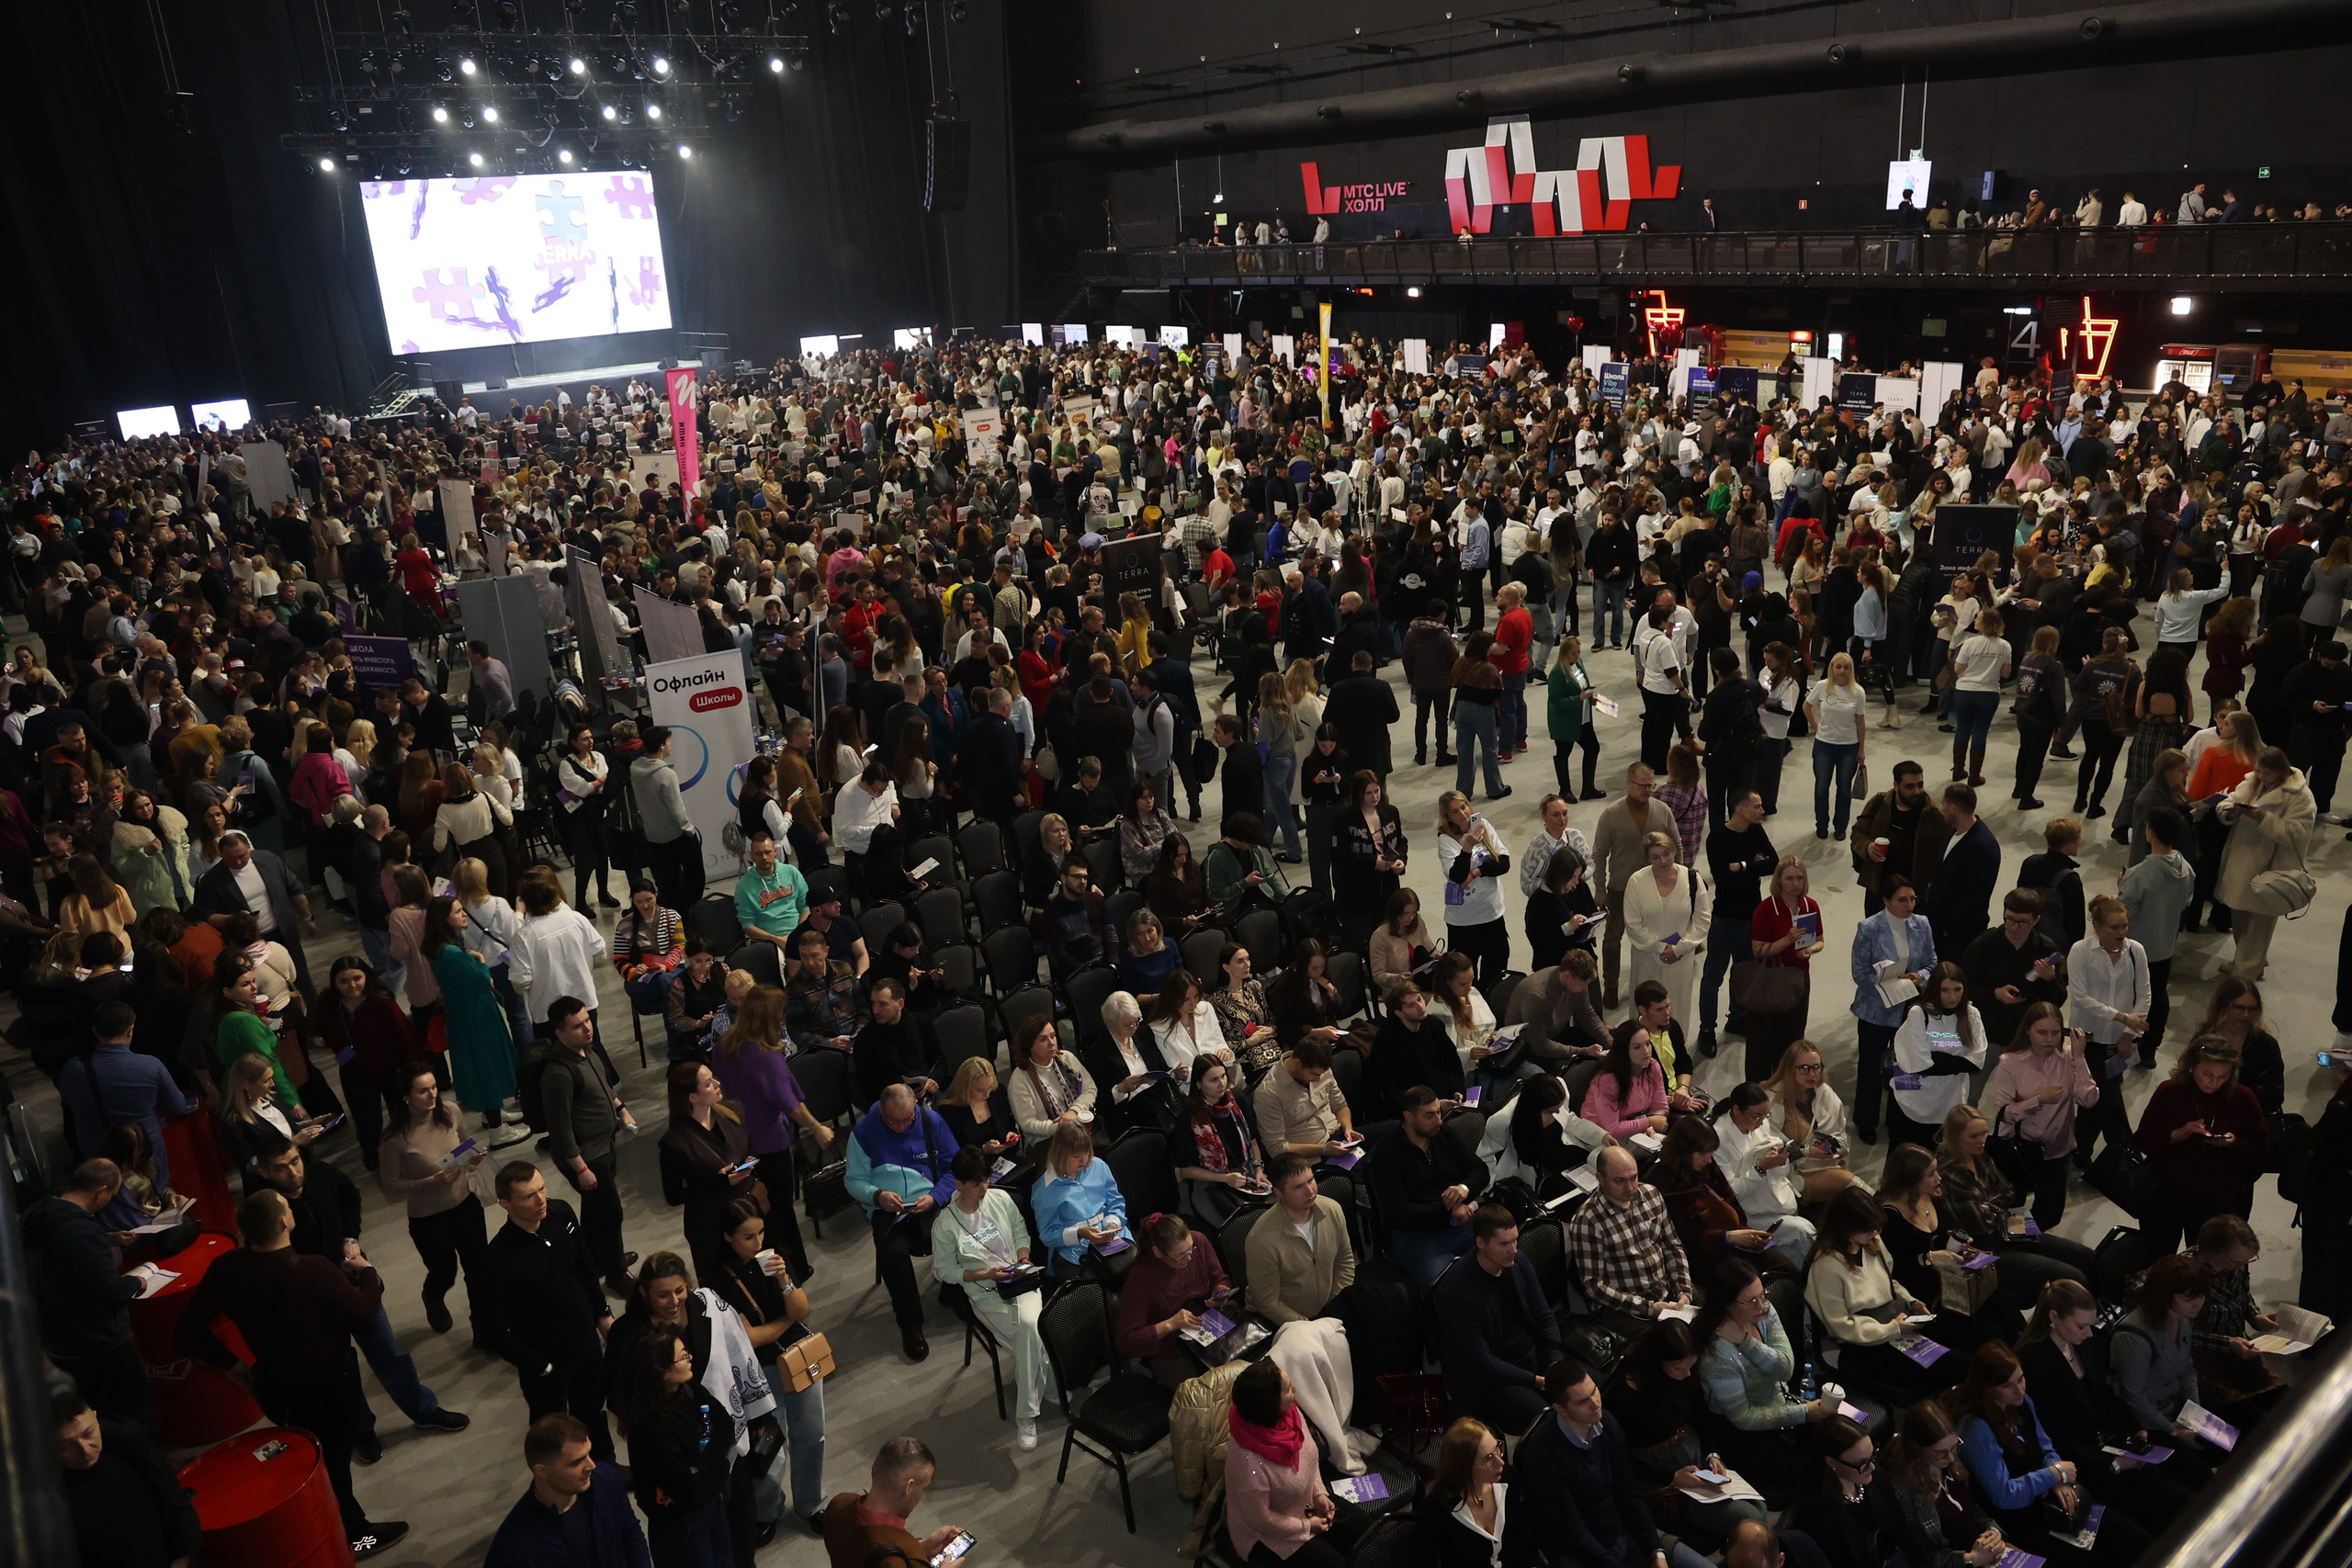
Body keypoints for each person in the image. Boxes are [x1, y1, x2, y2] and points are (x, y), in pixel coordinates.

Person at [177, 1190, 410, 1558]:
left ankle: (329, 1523)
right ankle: (355, 1534)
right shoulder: (313, 1268)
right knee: (333, 1462)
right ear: (285, 1221)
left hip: (274, 1385)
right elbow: (365, 1317)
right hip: (330, 1385)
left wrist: (231, 1363)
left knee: (309, 1456)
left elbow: (187, 1330)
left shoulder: (227, 1268)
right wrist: (367, 1271)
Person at [2012, 1280, 2197, 1534]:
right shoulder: (2031, 1363)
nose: (2090, 1333)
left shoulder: (2084, 1343)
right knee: (2160, 1512)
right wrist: (2112, 1463)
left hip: (2112, 1443)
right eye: (2082, 1326)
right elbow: (2052, 1435)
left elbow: (2106, 1396)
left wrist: (2133, 1427)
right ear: (2054, 1317)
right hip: (2085, 1464)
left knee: (2184, 1490)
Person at [1502, 1357, 1713, 1568]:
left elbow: (1629, 1493)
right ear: (1561, 1409)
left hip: (1622, 1533)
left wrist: (1655, 1551)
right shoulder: (1543, 1454)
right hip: (1580, 1553)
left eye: (1594, 1391)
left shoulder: (1607, 1424)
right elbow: (1571, 1530)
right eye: (1583, 1401)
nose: (1595, 1404)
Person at [706, 1201, 831, 1529]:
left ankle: (810, 1502)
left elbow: (802, 1309)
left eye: (761, 1232)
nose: (758, 1242)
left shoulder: (777, 1259)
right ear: (728, 1237)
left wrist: (785, 1280)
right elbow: (750, 1338)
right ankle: (767, 1511)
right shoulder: (719, 1279)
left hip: (798, 1359)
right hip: (758, 1370)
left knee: (811, 1433)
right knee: (768, 1445)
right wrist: (787, 1319)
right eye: (748, 1236)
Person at [484, 1164, 616, 1461]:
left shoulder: (561, 1214)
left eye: (542, 1189)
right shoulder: (498, 1259)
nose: (542, 1199)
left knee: (593, 1411)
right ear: (505, 1204)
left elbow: (585, 1267)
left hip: (586, 1344)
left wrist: (602, 1314)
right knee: (552, 1431)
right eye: (529, 1196)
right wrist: (541, 1366)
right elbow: (494, 1329)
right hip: (547, 1364)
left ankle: (606, 1468)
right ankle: (562, 1487)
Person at [719, 985, 828, 1282]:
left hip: (740, 1140)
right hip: (769, 1141)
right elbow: (789, 1103)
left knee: (757, 1205)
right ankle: (794, 1269)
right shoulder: (764, 1054)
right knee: (780, 1210)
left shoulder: (726, 1043)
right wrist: (817, 1128)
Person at [25, 1159, 148, 1421]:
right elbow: (110, 1288)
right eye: (111, 1195)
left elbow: (60, 1249)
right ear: (100, 1191)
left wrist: (107, 1237)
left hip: (56, 1342)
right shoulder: (81, 1231)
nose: (109, 1201)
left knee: (92, 1411)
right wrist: (137, 1282)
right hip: (96, 1343)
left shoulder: (38, 1215)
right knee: (130, 1411)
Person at [941, 1145, 1047, 1444]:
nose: (985, 1187)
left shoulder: (1000, 1198)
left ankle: (1026, 1413)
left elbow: (1020, 1231)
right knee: (1034, 1335)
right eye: (976, 1183)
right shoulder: (946, 1225)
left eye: (986, 1179)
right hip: (986, 1293)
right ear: (959, 1184)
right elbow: (944, 1271)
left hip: (1021, 1281)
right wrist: (986, 1274)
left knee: (1029, 1328)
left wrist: (1024, 1255)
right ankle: (1044, 1389)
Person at [379, 1061, 492, 1342]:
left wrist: (475, 1155)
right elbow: (390, 1187)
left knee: (479, 1271)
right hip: (429, 1218)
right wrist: (429, 1183)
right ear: (406, 1096)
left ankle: (485, 1329)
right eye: (422, 1091)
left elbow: (466, 1143)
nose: (432, 1095)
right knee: (444, 1271)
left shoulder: (450, 1112)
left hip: (465, 1205)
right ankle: (433, 1296)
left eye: (434, 1088)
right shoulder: (394, 1139)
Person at [846, 1083, 959, 1359]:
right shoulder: (863, 1132)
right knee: (892, 1254)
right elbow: (852, 1181)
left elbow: (954, 1167)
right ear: (881, 1110)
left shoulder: (932, 1121)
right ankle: (910, 1324)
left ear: (915, 1109)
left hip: (929, 1199)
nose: (900, 1127)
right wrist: (877, 1195)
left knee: (958, 1231)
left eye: (907, 1120)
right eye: (892, 1121)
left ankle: (954, 1291)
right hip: (888, 1206)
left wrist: (936, 1196)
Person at [608, 1327, 737, 1568]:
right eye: (683, 1356)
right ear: (662, 1371)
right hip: (682, 1527)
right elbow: (687, 1490)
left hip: (712, 1507)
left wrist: (701, 1466)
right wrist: (717, 1466)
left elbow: (726, 1425)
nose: (690, 1359)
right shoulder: (651, 1428)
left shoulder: (687, 1389)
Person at [1804, 1185, 1944, 1400]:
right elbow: (1841, 1326)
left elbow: (1890, 1282)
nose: (1875, 1233)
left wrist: (1910, 1301)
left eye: (1876, 1228)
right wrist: (1893, 1329)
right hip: (1865, 1344)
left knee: (1955, 1348)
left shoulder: (1872, 1242)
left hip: (1892, 1325)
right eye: (1868, 1229)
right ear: (1846, 1226)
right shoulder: (1826, 1265)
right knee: (1945, 1369)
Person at [1434, 1204, 1562, 1434]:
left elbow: (1545, 1318)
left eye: (1515, 1240)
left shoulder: (1518, 1261)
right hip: (1490, 1379)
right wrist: (1540, 1381)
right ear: (1481, 1243)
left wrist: (1554, 1362)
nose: (1513, 1249)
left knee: (1591, 1391)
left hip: (1529, 1356)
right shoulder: (1457, 1290)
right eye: (1504, 1244)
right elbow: (1483, 1363)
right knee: (1551, 1424)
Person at [541, 995, 639, 1294]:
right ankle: (615, 1273)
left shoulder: (587, 1051)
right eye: (577, 1025)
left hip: (604, 1145)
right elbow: (559, 1129)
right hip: (587, 1156)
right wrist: (580, 1168)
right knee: (610, 1212)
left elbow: (604, 1087)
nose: (587, 1028)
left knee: (596, 1210)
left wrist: (620, 1110)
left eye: (587, 1020)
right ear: (559, 1033)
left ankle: (596, 1259)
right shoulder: (558, 1073)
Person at [2135, 1035, 2267, 1252]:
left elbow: (2260, 1150)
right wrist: (2178, 1134)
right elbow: (2143, 1140)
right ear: (2192, 1065)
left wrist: (2234, 1144)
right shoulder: (2170, 1092)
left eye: (2223, 1076)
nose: (2213, 1083)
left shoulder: (2243, 1098)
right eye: (2207, 1074)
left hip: (2218, 1196)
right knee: (2157, 1257)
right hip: (2168, 1193)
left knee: (2209, 1263)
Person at [51, 1387, 205, 1568]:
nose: (85, 1450)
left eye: (88, 1433)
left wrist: (180, 1562)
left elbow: (174, 1500)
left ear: (95, 1417)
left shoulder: (129, 1443)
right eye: (64, 1446)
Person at [482, 1414, 654, 1568]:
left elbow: (630, 1534)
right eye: (576, 1462)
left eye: (588, 1454)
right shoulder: (516, 1544)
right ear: (541, 1471)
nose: (591, 1466)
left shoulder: (606, 1480)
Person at [1566, 1144, 1694, 1337]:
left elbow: (1672, 1245)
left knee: (1713, 1320)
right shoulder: (1588, 1220)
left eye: (1633, 1178)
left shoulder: (1651, 1194)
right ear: (1600, 1178)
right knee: (1669, 1345)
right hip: (1625, 1307)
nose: (1630, 1187)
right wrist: (1649, 1308)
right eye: (1619, 1181)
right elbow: (1595, 1287)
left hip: (1665, 1291)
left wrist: (1684, 1291)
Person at [656, 1060, 765, 1283]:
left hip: (748, 1212)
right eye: (708, 1083)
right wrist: (720, 1182)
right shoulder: (674, 1142)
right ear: (692, 1097)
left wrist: (749, 1161)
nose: (718, 1084)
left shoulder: (733, 1111)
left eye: (713, 1078)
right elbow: (674, 1196)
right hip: (711, 1226)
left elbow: (748, 1146)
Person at [2213, 744, 2315, 979]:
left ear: (2281, 771)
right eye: (2258, 771)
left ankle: (2245, 974)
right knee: (2239, 914)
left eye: (2266, 774)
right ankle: (2248, 960)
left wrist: (2263, 818)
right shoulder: (2253, 782)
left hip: (2273, 867)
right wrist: (2229, 810)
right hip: (2243, 859)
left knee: (2259, 925)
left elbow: (2297, 832)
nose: (2260, 777)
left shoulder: (2300, 796)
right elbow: (2230, 799)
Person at [1847, 875, 1936, 1145]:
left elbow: (1932, 962)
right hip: (1875, 1011)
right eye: (1902, 900)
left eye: (1912, 899)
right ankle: (1866, 1121)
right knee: (1871, 1068)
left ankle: (1901, 1121)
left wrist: (1919, 976)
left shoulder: (1922, 925)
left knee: (1905, 1066)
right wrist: (1886, 977)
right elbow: (1859, 973)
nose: (1909, 905)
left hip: (1909, 1010)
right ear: (1886, 901)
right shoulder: (1869, 928)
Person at [1871, 1400, 2010, 1568]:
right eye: (1940, 1452)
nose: (1951, 1457)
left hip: (1984, 1552)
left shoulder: (1948, 1462)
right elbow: (1920, 1556)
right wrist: (1970, 1559)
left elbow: (1974, 1511)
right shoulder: (1906, 1491)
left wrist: (1992, 1531)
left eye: (1953, 1447)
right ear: (1917, 1448)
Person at [2064, 895, 2152, 1159]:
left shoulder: (2136, 951)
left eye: (2125, 926)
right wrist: (2123, 1018)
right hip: (2086, 1038)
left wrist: (2128, 1034)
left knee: (2095, 1098)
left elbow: (2145, 995)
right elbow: (2080, 997)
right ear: (2098, 927)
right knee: (2106, 1097)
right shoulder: (2080, 951)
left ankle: (2080, 1149)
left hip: (2118, 1041)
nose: (2122, 933)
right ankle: (2126, 1150)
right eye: (2114, 928)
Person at [1592, 762, 1683, 1007]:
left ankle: (1653, 980)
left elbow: (1677, 845)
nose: (1648, 790)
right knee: (1613, 937)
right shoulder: (1611, 814)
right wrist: (1600, 888)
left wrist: (1680, 879)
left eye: (1652, 784)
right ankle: (1611, 984)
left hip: (1657, 888)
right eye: (1643, 785)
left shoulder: (1662, 811)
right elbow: (1599, 853)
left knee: (1658, 934)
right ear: (1629, 784)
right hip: (1620, 888)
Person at [1116, 1210, 1236, 1390]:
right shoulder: (1140, 1279)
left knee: (1241, 1380)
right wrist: (1170, 1324)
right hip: (1172, 1349)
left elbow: (1219, 1278)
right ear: (1158, 1253)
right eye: (1181, 1256)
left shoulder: (1199, 1241)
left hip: (1210, 1329)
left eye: (1191, 1250)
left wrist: (1220, 1291)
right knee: (1208, 1395)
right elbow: (1127, 1340)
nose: (1189, 1258)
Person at [2119, 808, 2196, 1064]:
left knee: (2130, 1000)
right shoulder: (2185, 868)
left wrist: (2122, 886)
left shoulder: (2140, 873)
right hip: (2165, 947)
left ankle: (2124, 1047)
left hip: (2137, 949)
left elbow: (2122, 916)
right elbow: (2186, 901)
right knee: (2158, 998)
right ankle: (2149, 1050)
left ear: (2150, 833)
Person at [821, 1435, 967, 1568]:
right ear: (909, 1487)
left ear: (874, 1469)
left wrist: (922, 1547)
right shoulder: (894, 1563)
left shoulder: (838, 1504)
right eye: (923, 1487)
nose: (921, 1495)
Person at [1246, 1152, 1357, 1325]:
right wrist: (1308, 1326)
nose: (1310, 1190)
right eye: (1299, 1187)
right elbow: (1268, 1303)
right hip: (1285, 1322)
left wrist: (1335, 1305)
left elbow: (1345, 1261)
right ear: (1278, 1192)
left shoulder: (1332, 1209)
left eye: (1311, 1180)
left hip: (1329, 1310)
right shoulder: (1261, 1240)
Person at [1889, 962, 1985, 1149]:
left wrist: (1936, 1057)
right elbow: (1919, 1065)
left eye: (1957, 989)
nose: (1952, 997)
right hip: (1912, 1102)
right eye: (1945, 990)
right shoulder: (1919, 1013)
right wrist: (1957, 1062)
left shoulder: (1971, 1015)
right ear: (1935, 990)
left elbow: (1976, 1064)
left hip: (1949, 1101)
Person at [1743, 853, 1823, 1083]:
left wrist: (1811, 950)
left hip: (1798, 982)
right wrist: (1787, 940)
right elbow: (1758, 950)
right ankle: (1759, 1091)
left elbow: (1820, 939)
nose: (1795, 884)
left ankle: (1786, 1087)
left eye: (1799, 878)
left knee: (1792, 1039)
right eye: (1789, 879)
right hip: (1769, 983)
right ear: (1778, 881)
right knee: (1762, 1043)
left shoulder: (1810, 906)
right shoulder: (1766, 909)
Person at [1960, 889, 2067, 1057]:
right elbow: (1961, 987)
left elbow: (2058, 1000)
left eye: (2023, 922)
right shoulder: (1986, 943)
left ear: (2036, 920)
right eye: (2009, 919)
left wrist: (2050, 979)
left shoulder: (2045, 948)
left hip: (2027, 1036)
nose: (2014, 927)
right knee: (1974, 1082)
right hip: (1987, 1031)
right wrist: (1995, 993)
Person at [1624, 829, 1712, 1034]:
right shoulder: (1636, 881)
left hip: (1680, 959)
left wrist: (1679, 949)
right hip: (1646, 958)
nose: (1662, 860)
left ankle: (1675, 1051)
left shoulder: (1692, 878)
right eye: (1655, 857)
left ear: (1674, 851)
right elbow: (1633, 925)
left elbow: (1702, 919)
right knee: (1644, 1009)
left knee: (1677, 1008)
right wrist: (1661, 948)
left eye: (1666, 854)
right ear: (1647, 858)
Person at [1437, 790, 1513, 987]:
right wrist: (1467, 847)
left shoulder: (1483, 826)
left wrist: (1477, 871)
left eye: (1463, 807)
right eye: (1454, 811)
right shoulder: (1446, 840)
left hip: (1491, 914)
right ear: (1447, 817)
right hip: (1464, 922)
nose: (1462, 814)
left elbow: (1503, 864)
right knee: (1463, 977)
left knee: (1496, 971)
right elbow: (1457, 875)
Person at [1922, 784, 2000, 962]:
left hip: (1957, 938)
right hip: (1938, 927)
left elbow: (1976, 898)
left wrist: (1948, 930)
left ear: (1952, 808)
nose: (1941, 809)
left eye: (1943, 805)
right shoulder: (1955, 832)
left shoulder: (1983, 847)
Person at [1420, 1416, 1510, 1568]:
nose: (1500, 1462)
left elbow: (1525, 1544)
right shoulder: (1438, 1506)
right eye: (1488, 1458)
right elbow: (1423, 1558)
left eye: (1497, 1448)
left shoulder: (1509, 1479)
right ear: (1464, 1467)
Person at [1804, 652, 1868, 840]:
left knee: (1844, 788)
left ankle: (1840, 826)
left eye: (1846, 667)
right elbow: (1807, 707)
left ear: (1851, 670)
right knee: (1821, 787)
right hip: (1824, 745)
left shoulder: (1858, 692)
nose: (1842, 671)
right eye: (1838, 666)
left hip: (1848, 747)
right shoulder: (1822, 686)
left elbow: (1860, 722)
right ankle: (1821, 824)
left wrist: (1861, 749)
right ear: (1831, 668)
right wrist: (1816, 727)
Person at [1005, 1013, 1100, 1140]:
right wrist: (1061, 1126)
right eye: (1043, 1039)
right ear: (1030, 1045)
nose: (1052, 1043)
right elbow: (1027, 1124)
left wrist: (1074, 1111)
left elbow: (1090, 1089)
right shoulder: (1020, 1079)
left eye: (1053, 1036)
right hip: (1048, 1139)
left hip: (1079, 1125)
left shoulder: (1066, 1058)